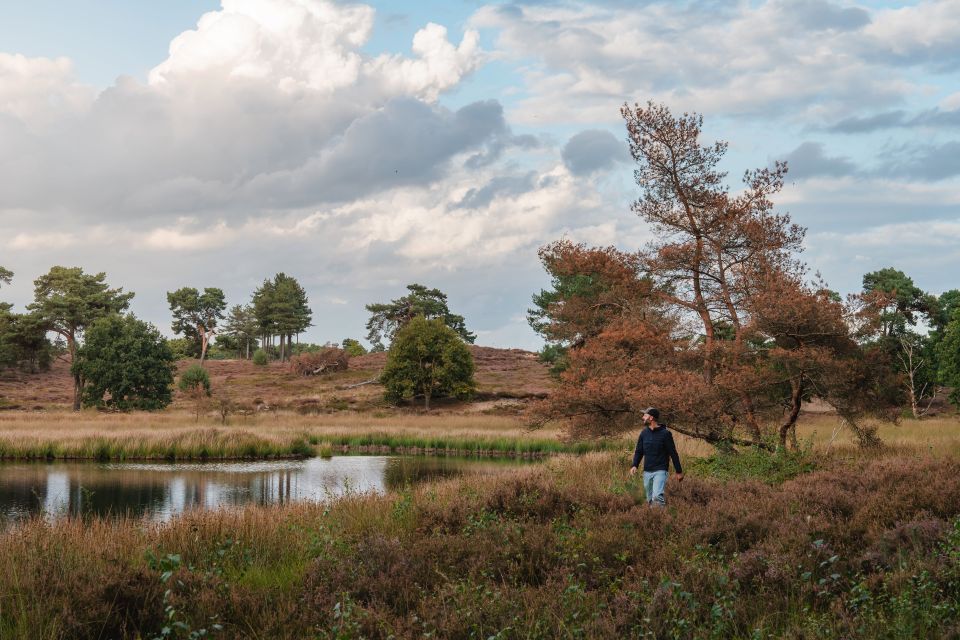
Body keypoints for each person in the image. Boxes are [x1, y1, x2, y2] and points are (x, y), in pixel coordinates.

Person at [629, 407, 683, 507]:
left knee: (657, 496)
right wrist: (634, 465)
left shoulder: (665, 434)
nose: (642, 417)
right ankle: (654, 519)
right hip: (647, 471)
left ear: (651, 418)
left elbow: (673, 453)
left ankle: (660, 518)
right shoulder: (644, 433)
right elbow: (639, 451)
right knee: (650, 499)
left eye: (645, 415)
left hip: (661, 470)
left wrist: (678, 471)